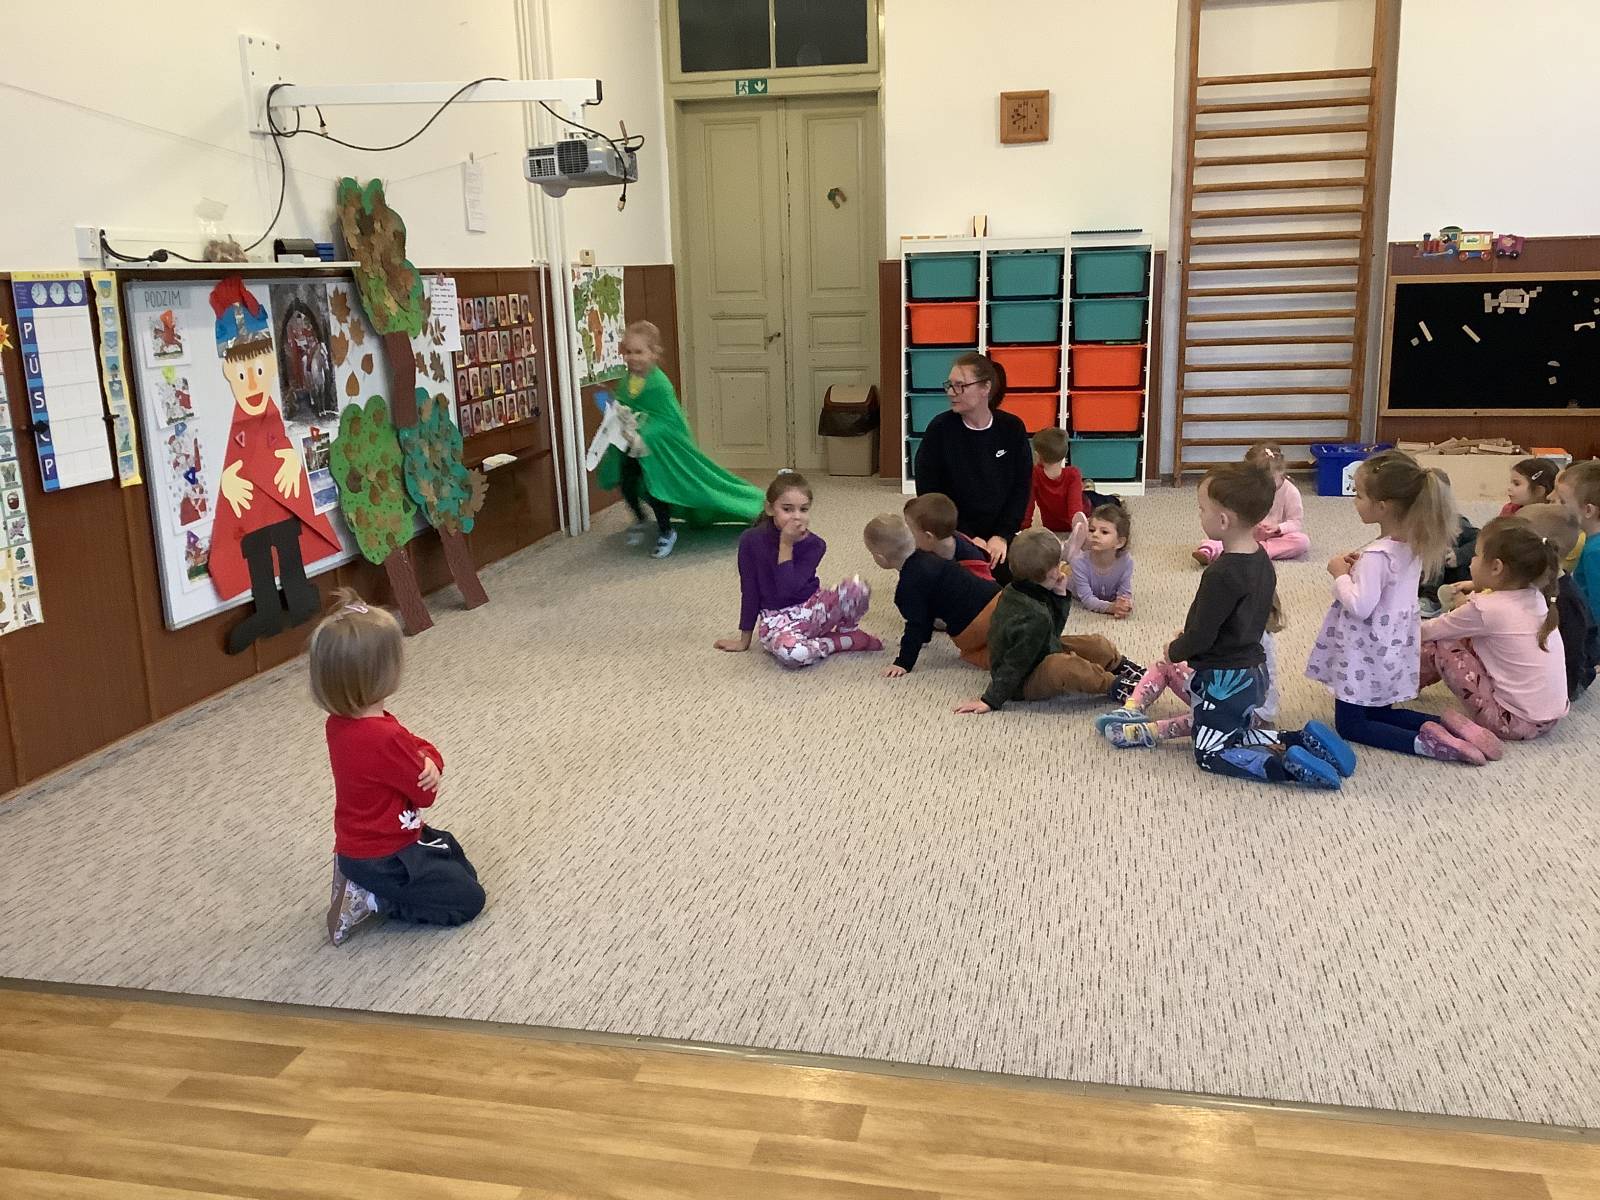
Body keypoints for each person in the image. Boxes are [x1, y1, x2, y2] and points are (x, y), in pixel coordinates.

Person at [312, 590, 485, 946]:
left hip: (366, 847)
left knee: (456, 858)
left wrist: (424, 756)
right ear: (380, 673)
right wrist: (431, 761)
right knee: (469, 900)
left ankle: (364, 883)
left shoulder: (341, 723)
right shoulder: (383, 735)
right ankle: (373, 899)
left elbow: (412, 746)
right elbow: (424, 793)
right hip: (386, 856)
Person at [1167, 463, 1353, 787]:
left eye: (1202, 509)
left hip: (1223, 681)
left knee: (1210, 752)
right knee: (1234, 730)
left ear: (1223, 520)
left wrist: (1174, 651)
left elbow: (1202, 635)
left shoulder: (1220, 574)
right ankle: (1298, 739)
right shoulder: (1261, 558)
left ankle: (1284, 767)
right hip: (1254, 674)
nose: (1200, 515)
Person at [1304, 449, 1481, 763]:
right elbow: (1389, 587)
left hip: (1366, 647)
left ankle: (1427, 744)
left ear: (1382, 506)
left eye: (1359, 495)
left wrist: (1339, 574)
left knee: (1352, 725)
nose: (1355, 502)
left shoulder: (1377, 554)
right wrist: (1359, 570)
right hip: (1392, 643)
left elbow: (1360, 606)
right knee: (1378, 710)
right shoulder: (1414, 543)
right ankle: (1451, 727)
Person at [594, 320, 764, 558]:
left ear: (654, 353)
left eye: (639, 352)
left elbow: (669, 420)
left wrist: (643, 431)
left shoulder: (658, 385)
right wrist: (614, 411)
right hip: (632, 448)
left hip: (659, 452)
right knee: (627, 483)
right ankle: (641, 519)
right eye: (628, 352)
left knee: (657, 489)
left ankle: (667, 531)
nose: (632, 358)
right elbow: (625, 406)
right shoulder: (627, 381)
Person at [1417, 517, 1568, 745]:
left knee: (1443, 643)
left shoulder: (1485, 609)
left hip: (1509, 722)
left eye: (1476, 555)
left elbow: (1426, 632)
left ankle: (1402, 684)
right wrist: (1474, 586)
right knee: (1465, 637)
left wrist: (1395, 627)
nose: (1471, 561)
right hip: (1548, 720)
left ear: (1496, 567)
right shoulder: (1535, 595)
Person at [953, 529, 1137, 715]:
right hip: (1021, 680)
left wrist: (1060, 595)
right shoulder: (1033, 616)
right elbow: (1015, 662)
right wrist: (991, 700)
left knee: (1095, 644)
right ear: (1050, 574)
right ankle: (1116, 685)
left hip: (1039, 651)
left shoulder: (1018, 588)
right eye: (1056, 566)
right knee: (1068, 667)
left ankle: (1121, 666)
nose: (1060, 570)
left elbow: (1051, 633)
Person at [715, 471, 881, 668]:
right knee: (793, 653)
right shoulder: (750, 540)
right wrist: (744, 640)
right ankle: (837, 642)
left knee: (857, 587)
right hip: (777, 620)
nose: (796, 517)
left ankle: (847, 630)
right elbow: (750, 590)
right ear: (770, 508)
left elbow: (791, 588)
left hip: (813, 607)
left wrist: (787, 544)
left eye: (803, 509)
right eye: (787, 509)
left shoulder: (815, 544)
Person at [1097, 594, 1283, 749]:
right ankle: (1132, 708)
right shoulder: (1233, 630)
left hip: (1248, 712)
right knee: (1166, 665)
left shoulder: (1252, 639)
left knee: (1206, 719)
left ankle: (1152, 731)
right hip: (1215, 692)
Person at [912, 352, 1032, 580]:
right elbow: (930, 495)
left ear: (985, 387)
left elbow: (1021, 487)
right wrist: (966, 536)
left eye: (960, 386)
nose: (951, 392)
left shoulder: (1012, 428)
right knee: (934, 575)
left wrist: (1002, 535)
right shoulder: (940, 429)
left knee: (1029, 570)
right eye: (949, 385)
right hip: (953, 532)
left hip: (999, 536)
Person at [864, 513, 1000, 675]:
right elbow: (928, 608)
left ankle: (1006, 658)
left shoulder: (907, 588)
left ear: (880, 558)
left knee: (969, 653)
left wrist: (903, 663)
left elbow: (916, 623)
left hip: (972, 627)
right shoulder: (932, 556)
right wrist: (924, 637)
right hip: (999, 598)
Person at [1517, 503, 1598, 699]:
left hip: (1569, 676)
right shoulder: (1532, 580)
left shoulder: (1568, 599)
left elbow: (1574, 653)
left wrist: (1562, 691)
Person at [1193, 441, 1308, 565]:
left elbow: (1296, 523)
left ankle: (1258, 550)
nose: (1264, 484)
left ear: (1281, 472)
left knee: (1301, 541)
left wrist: (1278, 528)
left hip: (1274, 536)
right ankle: (1210, 549)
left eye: (1270, 479)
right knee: (1224, 532)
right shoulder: (1249, 488)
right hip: (1246, 531)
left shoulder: (1291, 492)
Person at [903, 492, 995, 582]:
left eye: (910, 528)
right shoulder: (938, 539)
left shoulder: (972, 570)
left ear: (928, 536)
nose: (906, 531)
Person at [1064, 505, 1133, 619]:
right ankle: (1070, 550)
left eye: (1104, 532)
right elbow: (1087, 600)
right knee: (1061, 572)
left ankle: (1075, 546)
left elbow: (1125, 592)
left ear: (1119, 542)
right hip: (1070, 575)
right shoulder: (1079, 563)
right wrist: (1111, 608)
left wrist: (1123, 604)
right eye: (1091, 530)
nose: (1095, 534)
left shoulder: (1126, 561)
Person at [1021, 426, 1086, 536]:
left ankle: (1089, 488)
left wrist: (1023, 530)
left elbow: (1028, 507)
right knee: (1095, 499)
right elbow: (1076, 511)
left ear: (1037, 455)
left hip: (1051, 526)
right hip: (1080, 517)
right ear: (1065, 454)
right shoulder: (1073, 474)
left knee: (1092, 497)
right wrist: (1078, 533)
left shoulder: (1034, 474)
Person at [1555, 459, 1600, 614]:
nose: (1555, 505)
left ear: (1588, 510)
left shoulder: (1595, 551)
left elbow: (1597, 605)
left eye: (1562, 501)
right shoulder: (1592, 542)